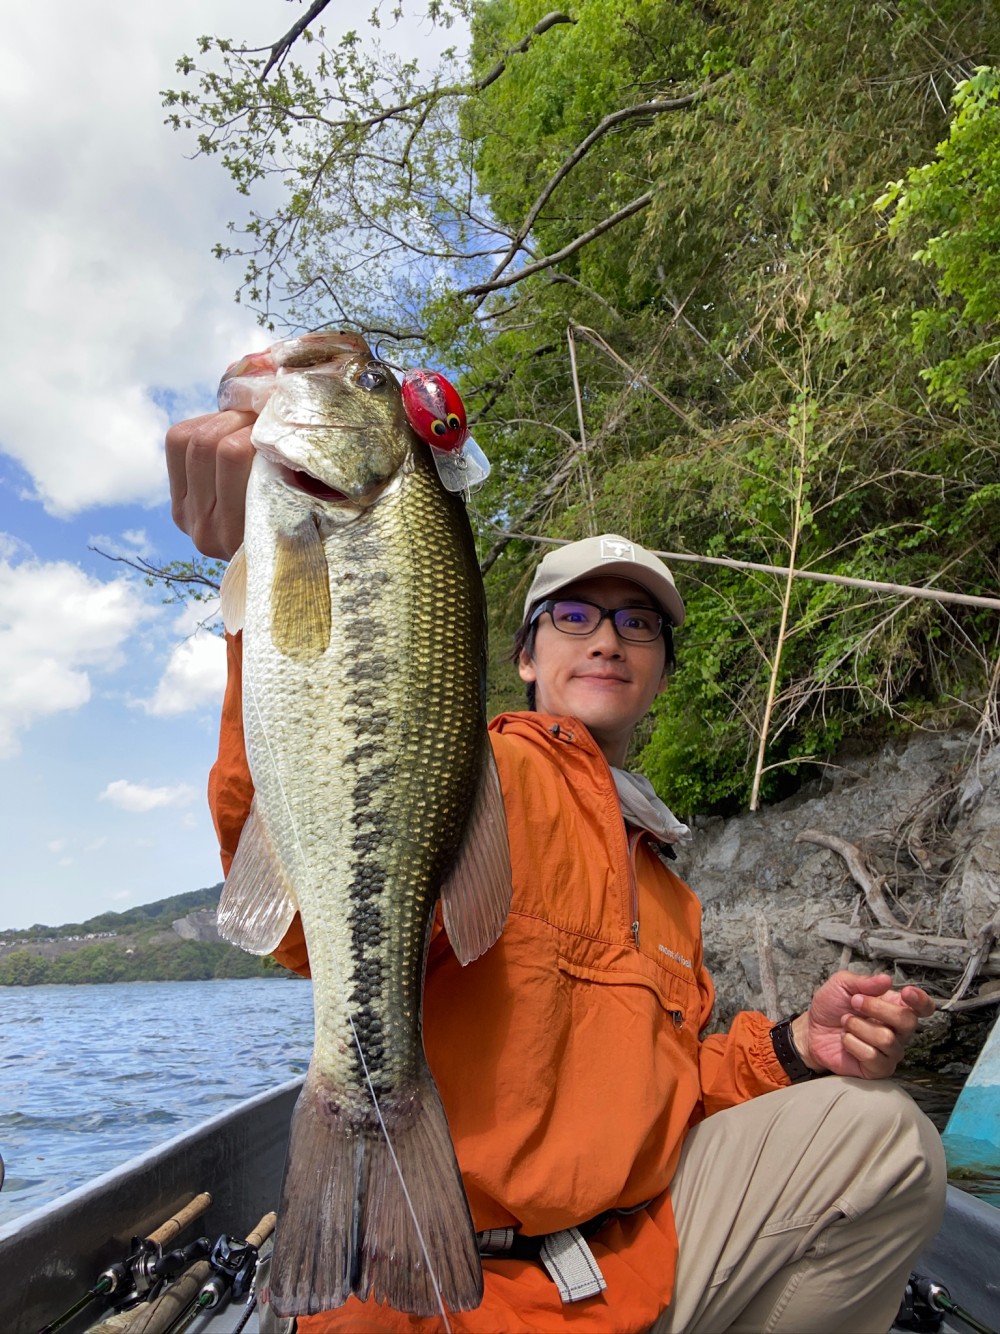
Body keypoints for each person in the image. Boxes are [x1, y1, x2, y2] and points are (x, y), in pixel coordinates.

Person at [167, 406, 946, 1334]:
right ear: (526, 658)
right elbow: (305, 912)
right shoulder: (469, 773)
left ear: (660, 673)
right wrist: (267, 569)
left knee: (884, 1136)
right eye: (574, 616)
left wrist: (793, 1049)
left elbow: (660, 1094)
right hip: (443, 1299)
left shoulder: (665, 885)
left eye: (637, 624)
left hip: (625, 1281)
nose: (607, 639)